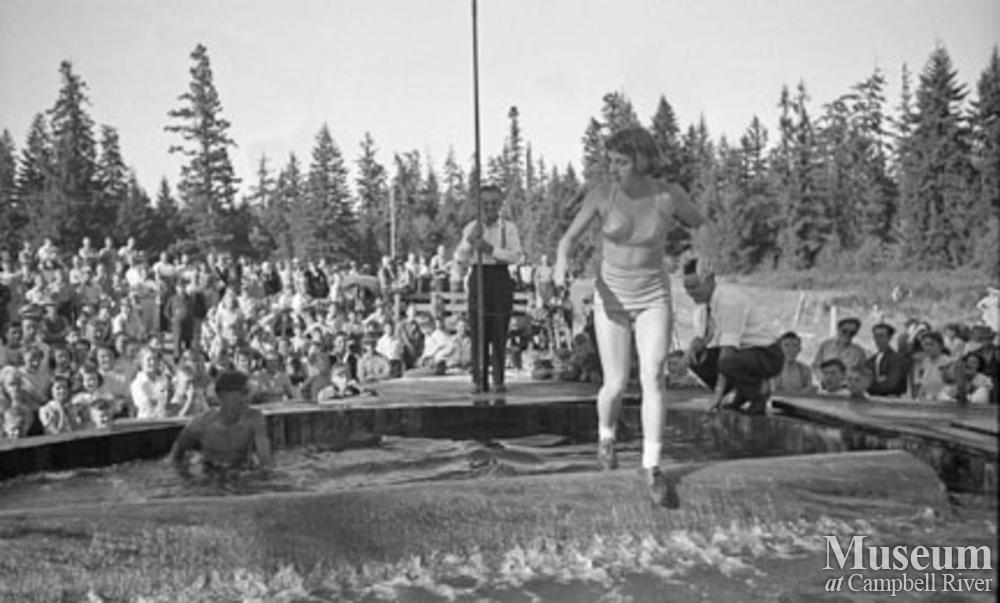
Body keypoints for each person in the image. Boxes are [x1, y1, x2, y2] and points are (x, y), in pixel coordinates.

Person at [553, 127, 716, 508]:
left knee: (654, 374)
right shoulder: (602, 194)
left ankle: (652, 465)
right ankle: (606, 437)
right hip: (611, 295)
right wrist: (561, 262)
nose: (614, 168)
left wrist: (706, 251)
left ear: (642, 160)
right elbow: (567, 240)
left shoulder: (667, 195)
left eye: (622, 162)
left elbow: (702, 224)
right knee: (614, 383)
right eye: (610, 161)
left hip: (652, 294)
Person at [683, 259, 784, 413]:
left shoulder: (729, 302)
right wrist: (694, 346)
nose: (691, 293)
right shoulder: (703, 307)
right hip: (745, 354)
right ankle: (742, 393)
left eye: (694, 287)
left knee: (727, 363)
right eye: (687, 288)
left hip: (767, 354)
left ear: (709, 281)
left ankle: (758, 395)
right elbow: (706, 338)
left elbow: (728, 351)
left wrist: (717, 395)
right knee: (696, 358)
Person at [454, 184, 522, 394]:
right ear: (479, 205)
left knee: (499, 329)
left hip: (500, 277)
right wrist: (470, 241)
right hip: (479, 276)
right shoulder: (471, 227)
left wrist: (491, 249)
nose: (490, 207)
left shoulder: (508, 228)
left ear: (500, 204)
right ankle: (478, 379)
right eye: (485, 203)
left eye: (494, 203)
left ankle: (499, 379)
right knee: (478, 329)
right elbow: (459, 257)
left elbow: (515, 256)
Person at [168, 370, 273, 477]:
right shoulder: (200, 424)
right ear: (223, 395)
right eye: (244, 392)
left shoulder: (254, 419)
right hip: (211, 476)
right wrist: (188, 477)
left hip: (243, 473)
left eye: (249, 393)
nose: (247, 398)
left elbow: (266, 463)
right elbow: (173, 459)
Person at [865, 322, 909, 397]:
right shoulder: (871, 360)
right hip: (873, 399)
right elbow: (864, 381)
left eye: (881, 336)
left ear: (889, 338)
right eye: (876, 336)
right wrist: (877, 381)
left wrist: (873, 382)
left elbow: (891, 384)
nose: (878, 339)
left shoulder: (897, 358)